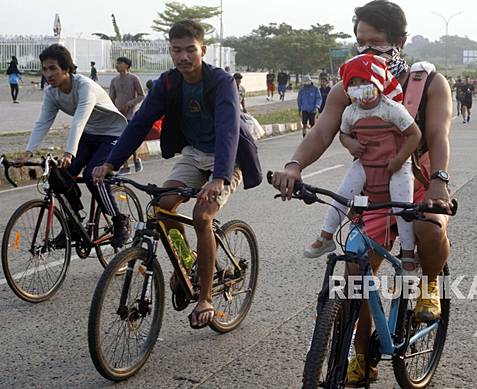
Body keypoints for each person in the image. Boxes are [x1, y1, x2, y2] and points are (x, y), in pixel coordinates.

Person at [269, 1, 453, 384]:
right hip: (369, 187)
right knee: (355, 272)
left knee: (429, 229)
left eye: (378, 43)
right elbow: (321, 132)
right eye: (360, 43)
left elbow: (437, 135)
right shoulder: (348, 86)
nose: (368, 52)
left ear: (399, 42)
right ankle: (362, 354)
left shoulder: (428, 83)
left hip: (414, 181)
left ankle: (430, 283)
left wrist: (438, 181)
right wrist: (293, 167)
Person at [92, 19, 262, 330]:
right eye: (176, 51)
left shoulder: (220, 81)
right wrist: (111, 162)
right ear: (170, 51)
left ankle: (206, 297)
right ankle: (189, 262)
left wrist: (220, 176)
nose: (183, 57)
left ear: (203, 50)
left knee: (202, 216)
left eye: (190, 50)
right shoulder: (168, 83)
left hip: (228, 157)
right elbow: (140, 123)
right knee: (162, 205)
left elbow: (227, 129)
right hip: (194, 153)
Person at [305, 53, 421, 272]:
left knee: (403, 208)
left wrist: (399, 160)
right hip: (365, 165)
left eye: (364, 83)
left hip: (396, 167)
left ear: (377, 82)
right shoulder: (350, 112)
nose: (360, 89)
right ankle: (325, 237)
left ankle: (407, 252)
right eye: (354, 84)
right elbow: (343, 134)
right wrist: (350, 145)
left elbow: (415, 135)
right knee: (341, 197)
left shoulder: (392, 109)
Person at [16, 44, 130, 248]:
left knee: (93, 177)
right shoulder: (52, 93)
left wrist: (69, 152)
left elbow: (79, 119)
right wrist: (27, 152)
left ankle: (119, 220)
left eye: (53, 68)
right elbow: (43, 122)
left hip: (113, 134)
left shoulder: (84, 86)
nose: (48, 74)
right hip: (89, 134)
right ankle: (75, 222)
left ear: (67, 69)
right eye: (44, 69)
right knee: (61, 175)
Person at [109, 56, 145, 175]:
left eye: (120, 63)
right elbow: (111, 98)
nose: (117, 65)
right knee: (120, 140)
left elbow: (141, 95)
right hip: (118, 115)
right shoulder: (114, 81)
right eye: (117, 63)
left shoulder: (134, 78)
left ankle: (136, 158)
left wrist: (130, 104)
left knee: (130, 139)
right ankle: (125, 166)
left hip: (130, 114)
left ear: (126, 65)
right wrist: (112, 110)